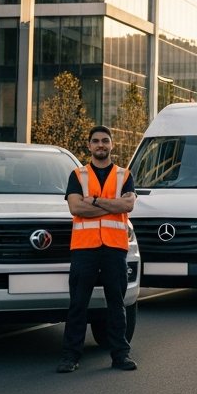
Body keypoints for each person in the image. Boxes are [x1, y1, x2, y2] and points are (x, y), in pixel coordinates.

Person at [57, 126, 137, 373]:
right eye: (95, 141)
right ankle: (71, 356)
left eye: (105, 140)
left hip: (114, 248)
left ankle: (120, 355)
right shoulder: (77, 175)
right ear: (89, 146)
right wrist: (113, 206)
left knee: (116, 303)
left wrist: (94, 201)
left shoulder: (125, 175)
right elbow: (76, 209)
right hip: (84, 248)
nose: (100, 145)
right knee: (78, 304)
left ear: (112, 144)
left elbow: (129, 204)